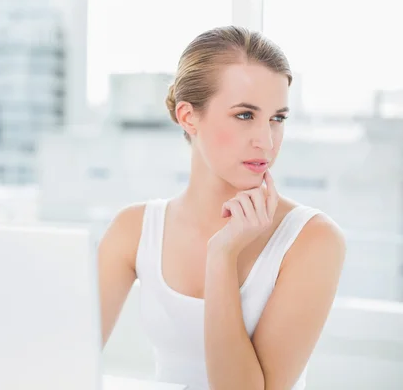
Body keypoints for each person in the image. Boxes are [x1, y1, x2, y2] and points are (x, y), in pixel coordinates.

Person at [97, 26, 346, 390]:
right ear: (188, 117)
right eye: (245, 115)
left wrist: (222, 256)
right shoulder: (133, 229)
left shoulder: (313, 239)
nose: (266, 140)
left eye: (278, 118)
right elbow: (66, 355)